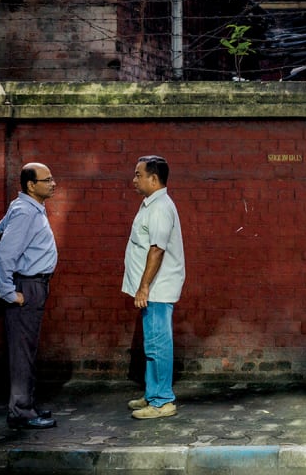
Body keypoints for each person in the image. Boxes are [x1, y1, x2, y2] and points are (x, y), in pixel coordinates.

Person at [0, 162, 59, 430]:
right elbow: (4, 252)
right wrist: (9, 293)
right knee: (22, 352)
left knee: (28, 349)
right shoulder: (25, 212)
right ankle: (20, 411)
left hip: (34, 285)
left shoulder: (25, 208)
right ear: (31, 185)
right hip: (26, 287)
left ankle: (26, 406)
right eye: (47, 179)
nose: (53, 183)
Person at [123, 155, 186, 419]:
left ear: (154, 178)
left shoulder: (160, 207)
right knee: (152, 343)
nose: (134, 180)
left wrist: (144, 287)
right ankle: (153, 393)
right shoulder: (150, 204)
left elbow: (157, 249)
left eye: (139, 174)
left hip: (157, 289)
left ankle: (162, 401)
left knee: (158, 344)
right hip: (152, 287)